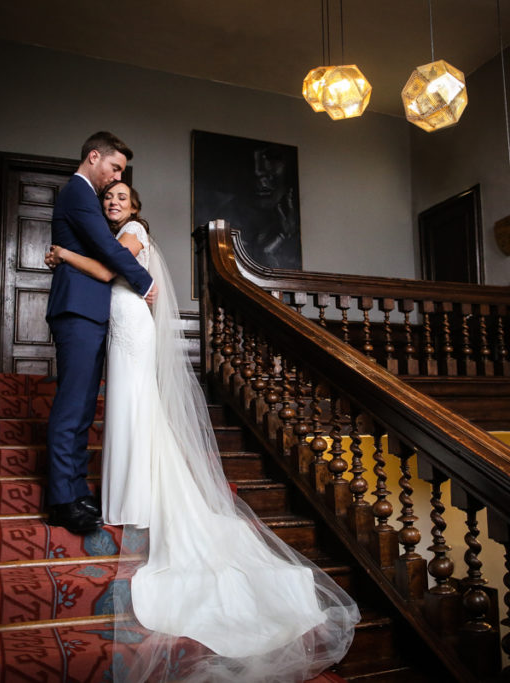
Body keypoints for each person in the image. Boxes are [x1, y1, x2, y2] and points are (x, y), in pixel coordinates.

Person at [46, 181, 359, 682]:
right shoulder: (114, 234)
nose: (114, 203)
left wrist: (63, 253)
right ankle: (129, 495)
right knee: (130, 410)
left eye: (122, 196)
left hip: (130, 328)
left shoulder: (130, 232)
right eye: (109, 198)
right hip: (125, 324)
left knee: (133, 408)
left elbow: (109, 271)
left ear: (135, 207)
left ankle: (134, 499)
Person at [45, 131, 156, 536]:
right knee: (72, 406)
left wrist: (63, 253)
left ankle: (74, 490)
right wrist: (144, 283)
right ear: (94, 156)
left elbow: (103, 254)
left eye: (120, 174)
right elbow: (108, 257)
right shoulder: (77, 194)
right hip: (77, 309)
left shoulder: (89, 201)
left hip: (93, 313)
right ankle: (62, 500)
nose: (114, 179)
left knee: (83, 407)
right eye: (114, 168)